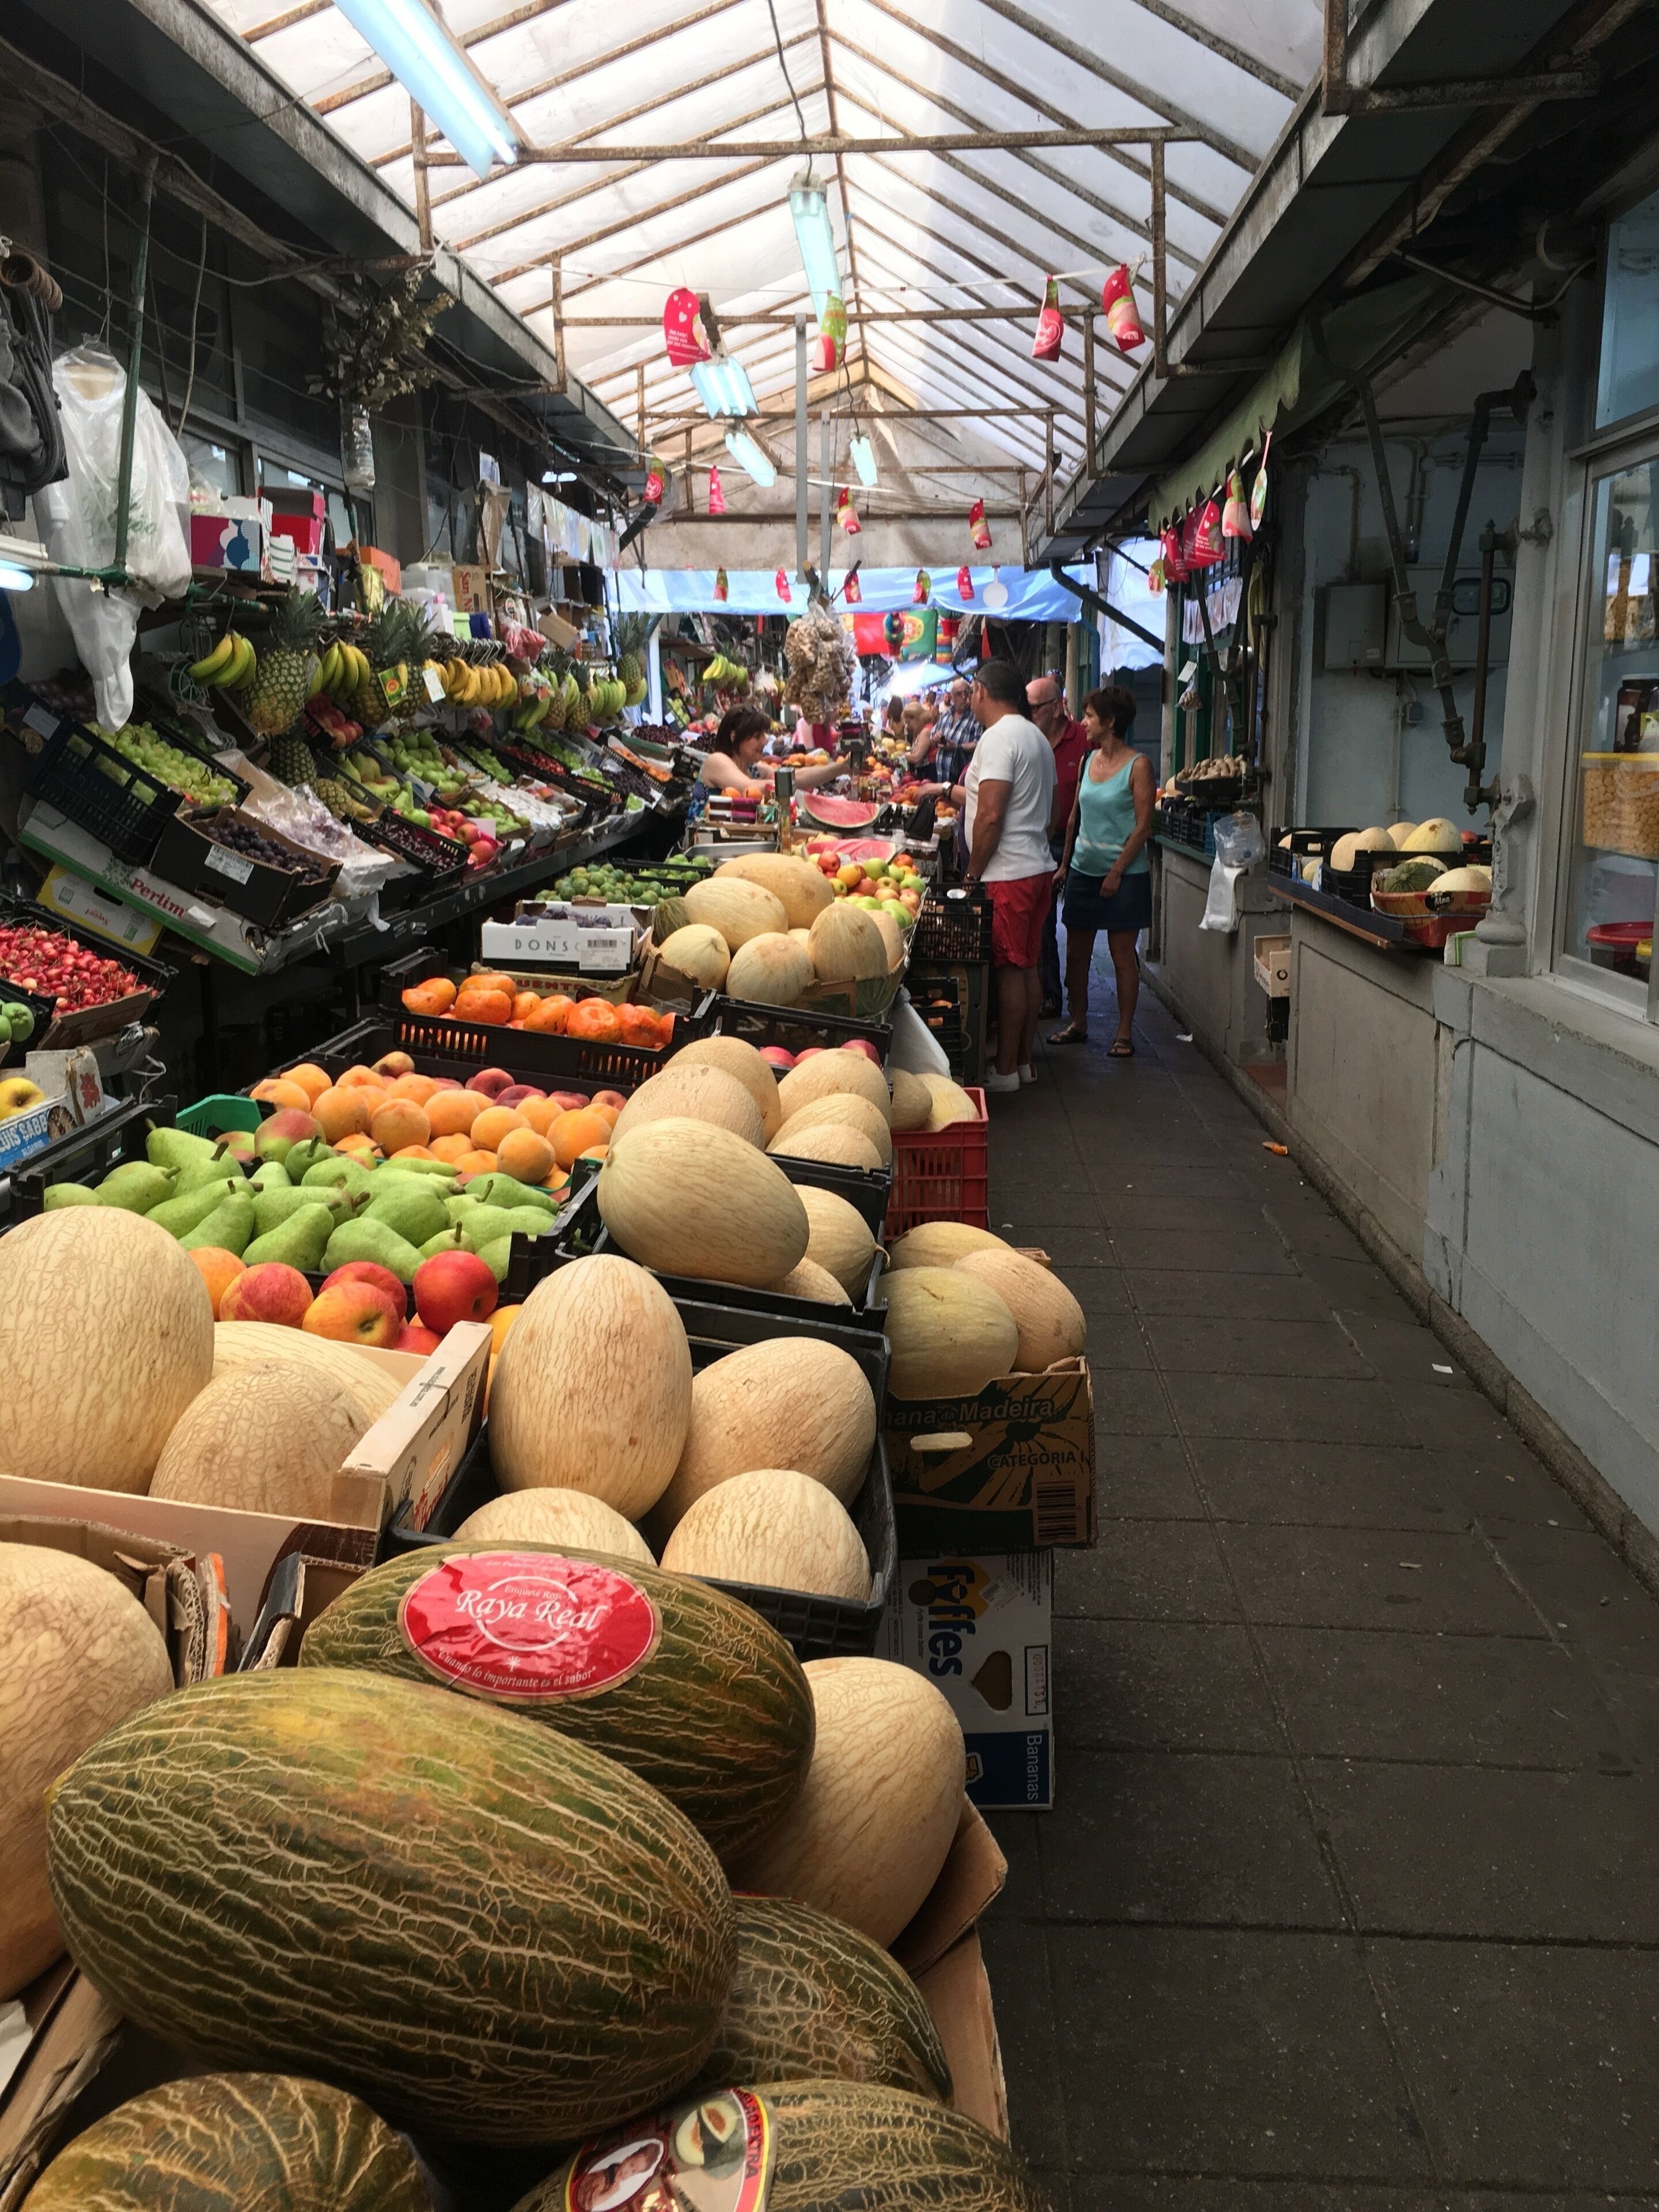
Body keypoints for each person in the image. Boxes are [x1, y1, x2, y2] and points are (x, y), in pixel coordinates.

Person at [957, 658, 1056, 1093]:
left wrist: (974, 872)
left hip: (1008, 874)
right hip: (1035, 867)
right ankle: (1023, 1064)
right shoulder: (1037, 738)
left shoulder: (999, 739)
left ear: (980, 691)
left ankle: (1005, 1071)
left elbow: (991, 814)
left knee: (1010, 972)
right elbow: (1052, 813)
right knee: (1029, 966)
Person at [1050, 684, 1156, 1056]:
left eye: (1091, 717)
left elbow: (1144, 826)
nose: (1084, 722)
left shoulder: (1138, 765)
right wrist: (1065, 865)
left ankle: (1124, 1032)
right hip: (1082, 870)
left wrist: (1116, 873)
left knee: (1121, 954)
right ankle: (1078, 1022)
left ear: (1109, 722)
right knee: (1076, 954)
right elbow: (1076, 815)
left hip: (1125, 877)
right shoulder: (1086, 760)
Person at [1027, 674, 1090, 1016]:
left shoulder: (1083, 738)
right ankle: (1050, 994)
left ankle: (1077, 1005)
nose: (1028, 713)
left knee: (1078, 924)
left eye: (1034, 707)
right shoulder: (1028, 738)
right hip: (1041, 839)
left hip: (1080, 842)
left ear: (1055, 708)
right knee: (1043, 919)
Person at [692, 707, 849, 798]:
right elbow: (749, 788)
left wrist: (842, 768)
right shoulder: (717, 760)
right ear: (734, 737)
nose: (765, 741)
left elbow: (794, 777)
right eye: (757, 736)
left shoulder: (753, 769)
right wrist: (788, 783)